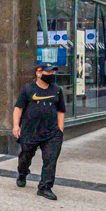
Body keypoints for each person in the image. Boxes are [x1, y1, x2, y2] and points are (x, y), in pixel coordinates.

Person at [12, 63, 66, 201]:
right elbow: (18, 108)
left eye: (52, 72)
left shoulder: (57, 90)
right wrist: (16, 126)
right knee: (25, 156)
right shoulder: (28, 89)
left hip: (52, 133)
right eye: (48, 72)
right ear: (38, 73)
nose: (51, 75)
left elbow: (61, 111)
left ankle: (45, 187)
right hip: (30, 132)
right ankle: (22, 173)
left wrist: (60, 130)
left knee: (50, 160)